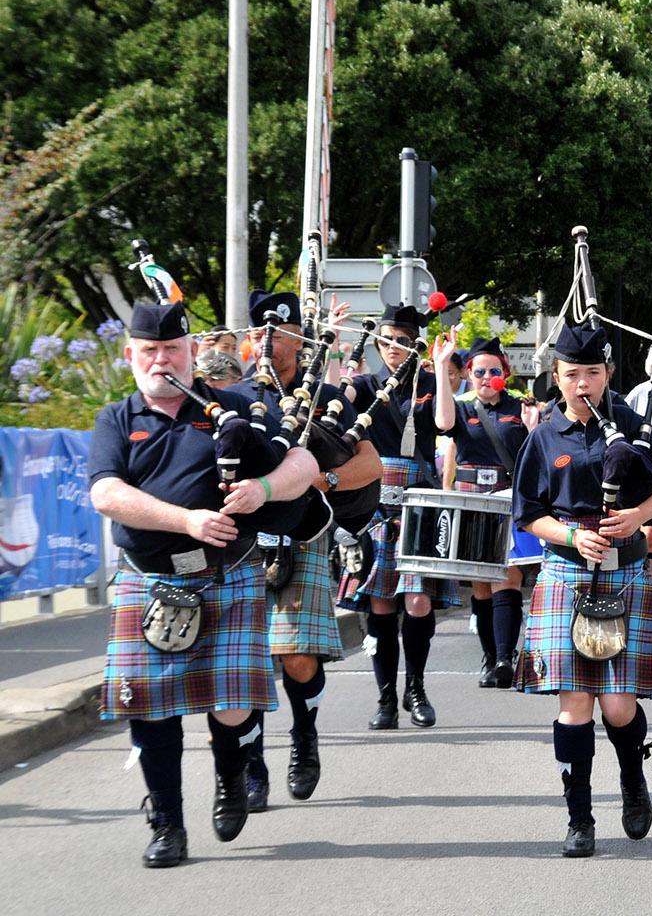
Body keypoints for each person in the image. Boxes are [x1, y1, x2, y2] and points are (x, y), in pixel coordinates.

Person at [90, 301, 319, 867]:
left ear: (192, 352)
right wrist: (185, 520)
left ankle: (231, 780)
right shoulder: (117, 420)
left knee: (235, 701)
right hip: (150, 576)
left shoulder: (236, 406)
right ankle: (167, 821)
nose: (161, 360)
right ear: (131, 357)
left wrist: (264, 491)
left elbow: (305, 465)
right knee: (150, 708)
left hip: (230, 571)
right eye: (149, 352)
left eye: (171, 349)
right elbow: (106, 493)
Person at [511, 321, 652, 857]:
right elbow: (528, 514)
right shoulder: (544, 435)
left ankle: (633, 778)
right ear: (557, 377)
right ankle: (579, 817)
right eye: (571, 374)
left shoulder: (631, 423)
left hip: (627, 572)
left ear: (608, 373)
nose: (582, 384)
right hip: (566, 573)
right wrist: (570, 536)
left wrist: (637, 516)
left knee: (616, 706)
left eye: (592, 372)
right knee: (576, 706)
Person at [232, 294, 381, 811]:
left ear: (301, 336)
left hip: (302, 534)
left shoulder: (327, 396)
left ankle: (304, 736)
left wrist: (323, 477)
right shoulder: (231, 397)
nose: (270, 339)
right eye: (261, 331)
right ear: (251, 338)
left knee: (296, 658)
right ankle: (251, 761)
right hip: (239, 544)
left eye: (282, 329)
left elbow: (372, 466)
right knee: (243, 663)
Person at [337, 304, 455, 730]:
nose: (393, 348)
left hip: (419, 498)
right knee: (382, 604)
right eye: (387, 340)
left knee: (418, 600)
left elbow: (444, 423)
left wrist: (440, 368)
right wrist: (333, 349)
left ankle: (416, 687)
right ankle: (386, 698)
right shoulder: (366, 385)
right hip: (373, 499)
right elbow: (334, 405)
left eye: (403, 342)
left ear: (415, 344)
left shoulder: (426, 383)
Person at [432, 334, 539, 686]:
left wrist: (532, 428)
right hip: (471, 495)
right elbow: (443, 424)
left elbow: (535, 455)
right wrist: (439, 366)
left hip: (506, 494)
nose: (486, 377)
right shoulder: (461, 408)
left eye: (494, 370)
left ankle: (507, 657)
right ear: (469, 374)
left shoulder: (520, 407)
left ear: (504, 373)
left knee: (507, 576)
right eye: (479, 371)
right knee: (481, 583)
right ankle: (491, 658)